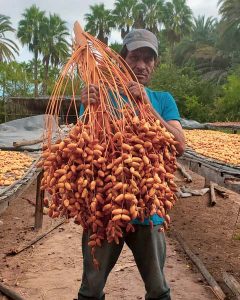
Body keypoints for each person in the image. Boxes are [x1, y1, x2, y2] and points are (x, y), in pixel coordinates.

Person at [77, 29, 185, 300]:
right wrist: (87, 107)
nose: (141, 65)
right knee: (91, 290)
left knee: (158, 290)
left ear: (155, 64)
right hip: (104, 210)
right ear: (123, 59)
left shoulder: (162, 99)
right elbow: (84, 148)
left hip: (149, 210)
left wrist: (146, 104)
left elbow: (179, 144)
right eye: (135, 57)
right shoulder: (99, 97)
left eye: (148, 59)